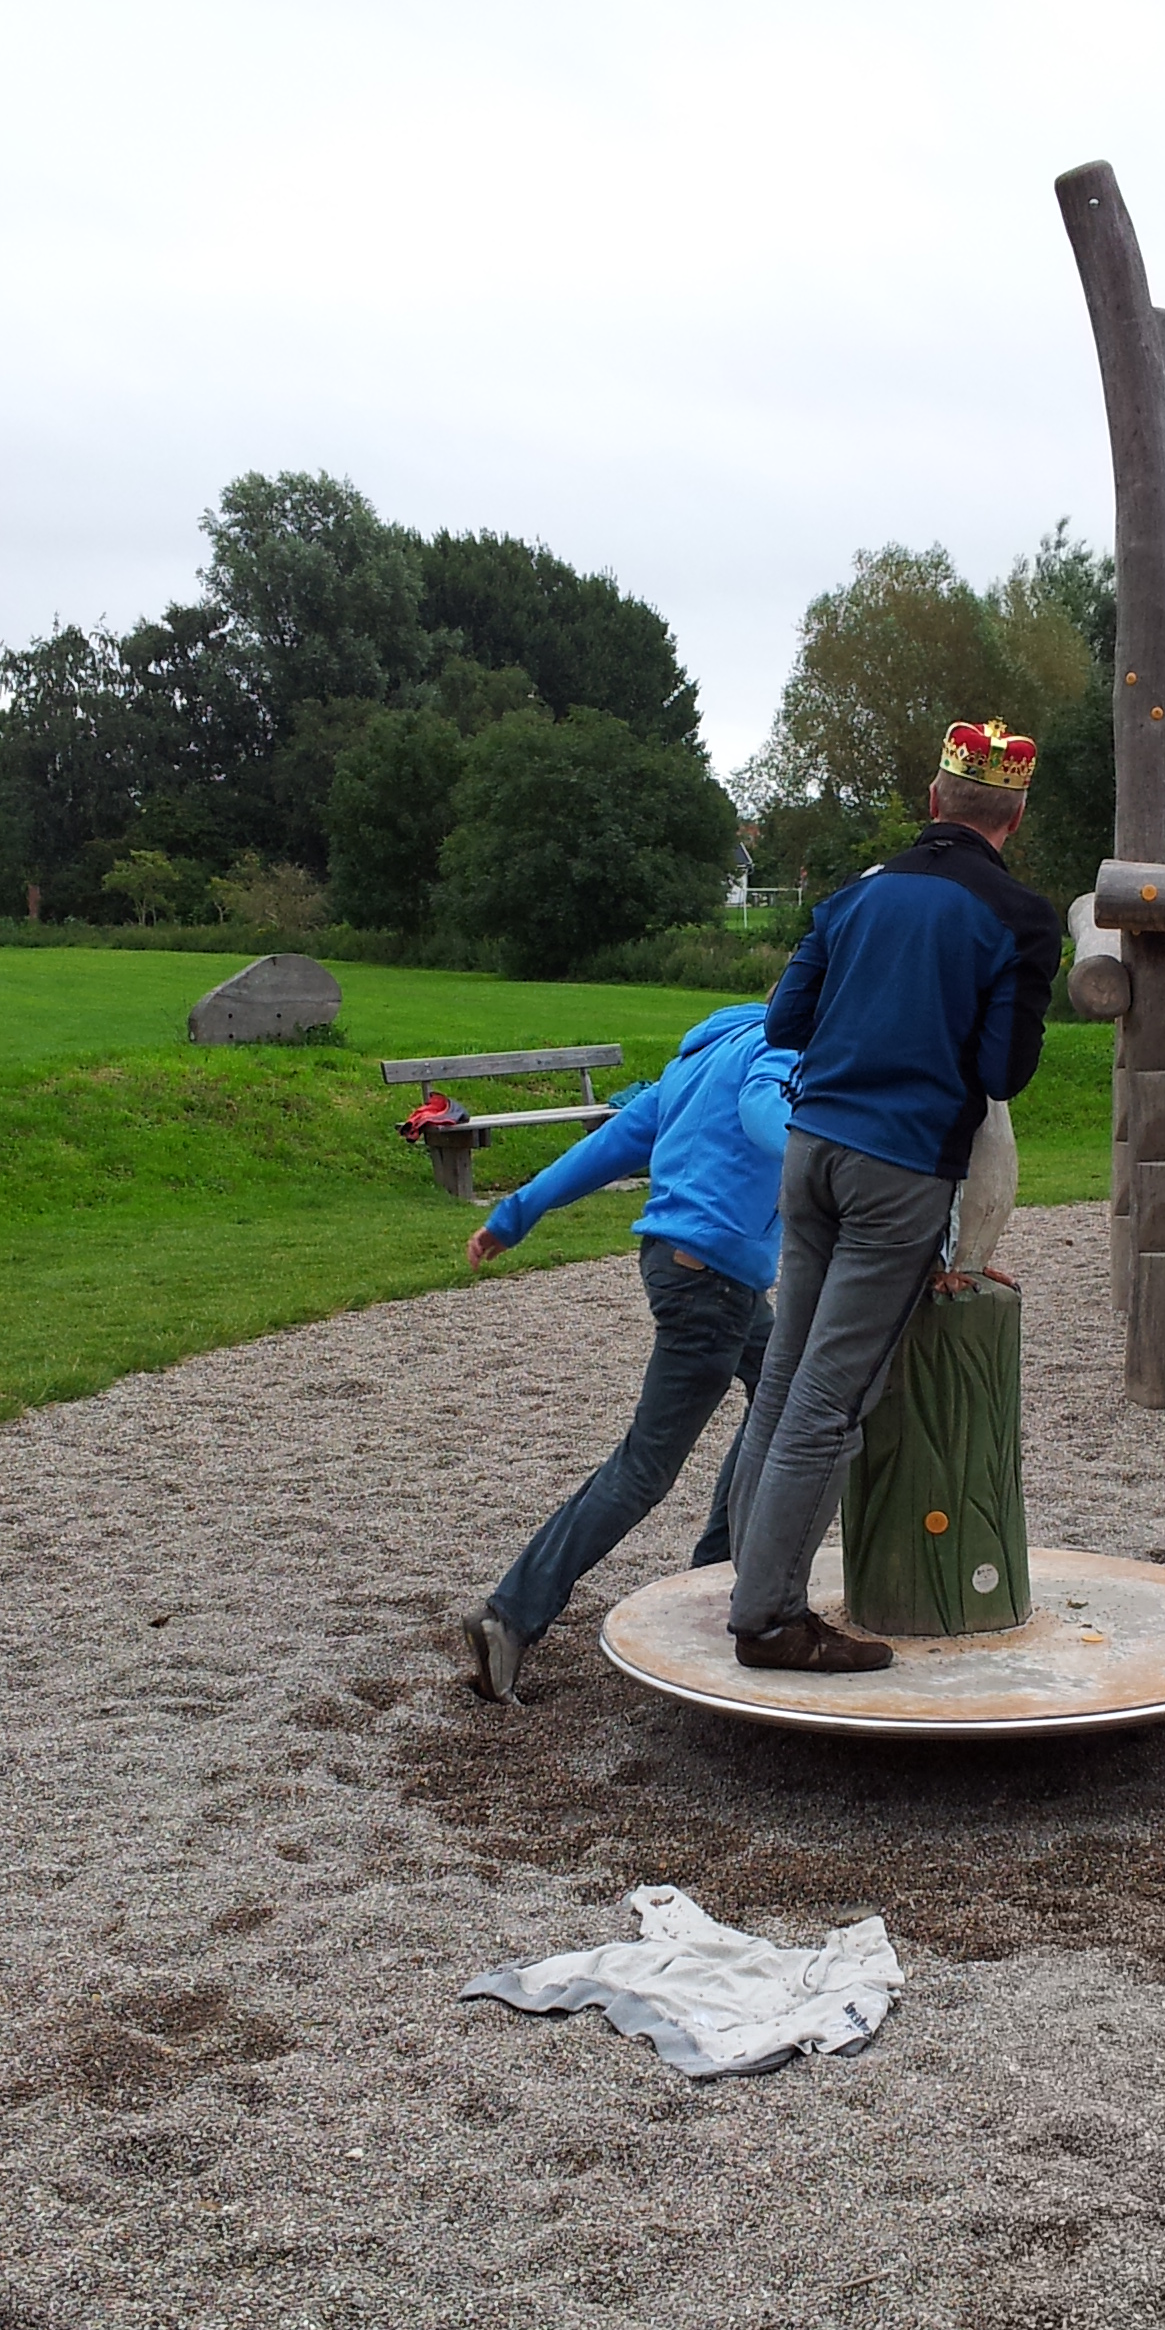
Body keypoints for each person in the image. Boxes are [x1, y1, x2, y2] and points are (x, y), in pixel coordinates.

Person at [724, 719, 1064, 1674]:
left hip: (809, 1150)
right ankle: (769, 1618)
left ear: (934, 800)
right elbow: (1002, 1069)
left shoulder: (854, 895)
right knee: (832, 1400)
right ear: (1016, 817)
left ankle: (746, 1575)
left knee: (785, 1373)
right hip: (900, 1168)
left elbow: (785, 1021)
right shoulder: (1020, 916)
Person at [455, 1001, 795, 1702]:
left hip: (684, 1267)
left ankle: (718, 1568)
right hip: (712, 1283)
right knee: (644, 1468)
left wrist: (514, 1215)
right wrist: (841, 1160)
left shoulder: (703, 1057)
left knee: (781, 1388)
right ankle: (510, 1615)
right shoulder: (783, 1050)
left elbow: (608, 1145)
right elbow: (768, 1117)